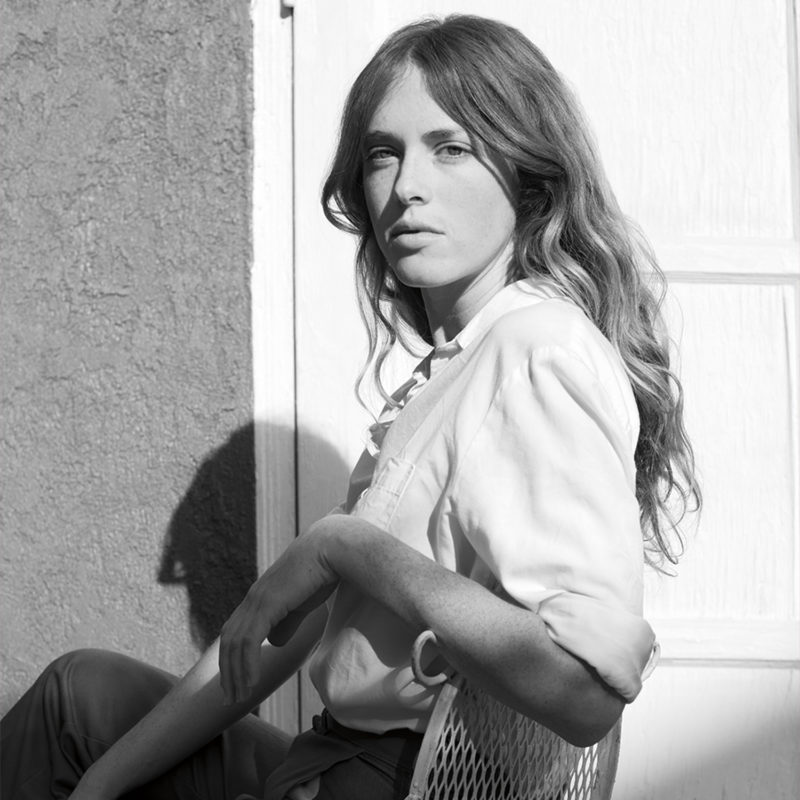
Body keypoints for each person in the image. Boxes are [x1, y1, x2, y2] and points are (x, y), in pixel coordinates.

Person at [0, 14, 700, 800]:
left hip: (388, 780)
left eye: (451, 147)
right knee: (78, 701)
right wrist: (100, 786)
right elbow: (263, 648)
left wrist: (348, 547)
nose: (406, 188)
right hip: (329, 760)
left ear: (529, 176)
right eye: (382, 154)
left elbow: (582, 696)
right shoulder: (452, 367)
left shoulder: (536, 349)